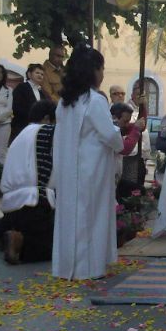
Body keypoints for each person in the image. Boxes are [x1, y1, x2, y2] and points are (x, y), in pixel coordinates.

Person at [52, 46, 124, 280]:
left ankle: (68, 266)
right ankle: (89, 267)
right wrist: (120, 137)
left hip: (69, 168)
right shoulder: (95, 101)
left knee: (71, 216)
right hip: (91, 169)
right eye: (101, 69)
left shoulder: (65, 102)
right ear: (92, 71)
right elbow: (109, 135)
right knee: (91, 217)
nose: (103, 74)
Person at [0, 100, 58, 264]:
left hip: (12, 206)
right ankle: (19, 243)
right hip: (34, 202)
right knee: (52, 249)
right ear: (47, 118)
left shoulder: (21, 135)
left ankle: (0, 230)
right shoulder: (45, 131)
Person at [110, 102, 146, 201]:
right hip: (108, 179)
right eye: (125, 121)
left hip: (115, 178)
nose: (127, 125)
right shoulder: (111, 129)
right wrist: (136, 130)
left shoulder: (120, 126)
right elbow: (125, 149)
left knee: (139, 190)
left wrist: (144, 108)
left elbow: (141, 125)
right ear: (115, 118)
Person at [10, 63, 49, 143]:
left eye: (42, 74)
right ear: (29, 74)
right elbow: (16, 106)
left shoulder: (41, 91)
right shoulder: (22, 87)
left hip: (37, 127)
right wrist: (33, 116)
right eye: (37, 73)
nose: (40, 76)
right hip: (22, 125)